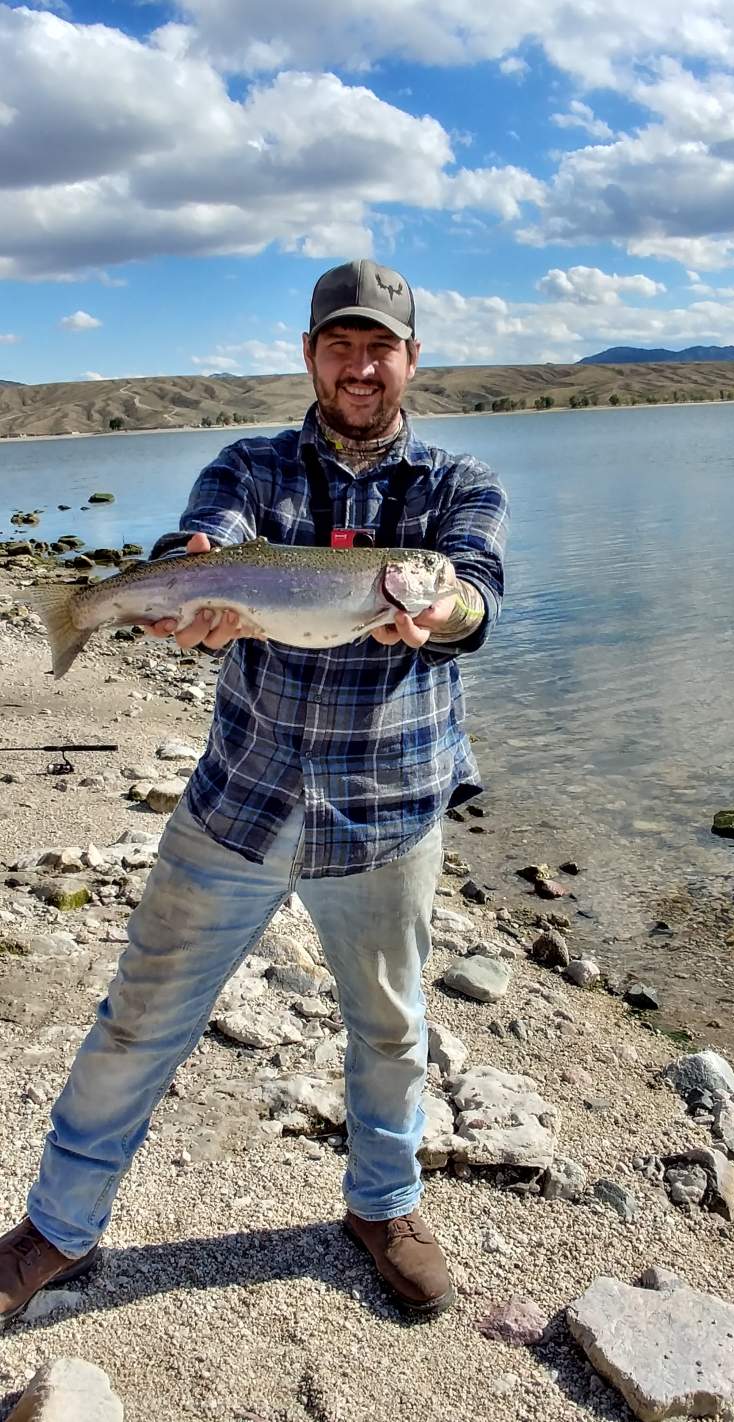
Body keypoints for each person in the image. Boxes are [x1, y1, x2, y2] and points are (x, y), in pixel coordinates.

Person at [0, 259, 508, 1326]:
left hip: (386, 810)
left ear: (411, 359)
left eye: (380, 347)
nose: (359, 366)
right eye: (340, 345)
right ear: (311, 354)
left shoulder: (454, 487)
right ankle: (59, 1225)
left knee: (388, 1029)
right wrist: (189, 582)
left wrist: (443, 607)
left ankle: (382, 1207)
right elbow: (213, 539)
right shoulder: (250, 464)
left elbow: (472, 595)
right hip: (241, 798)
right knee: (137, 1019)